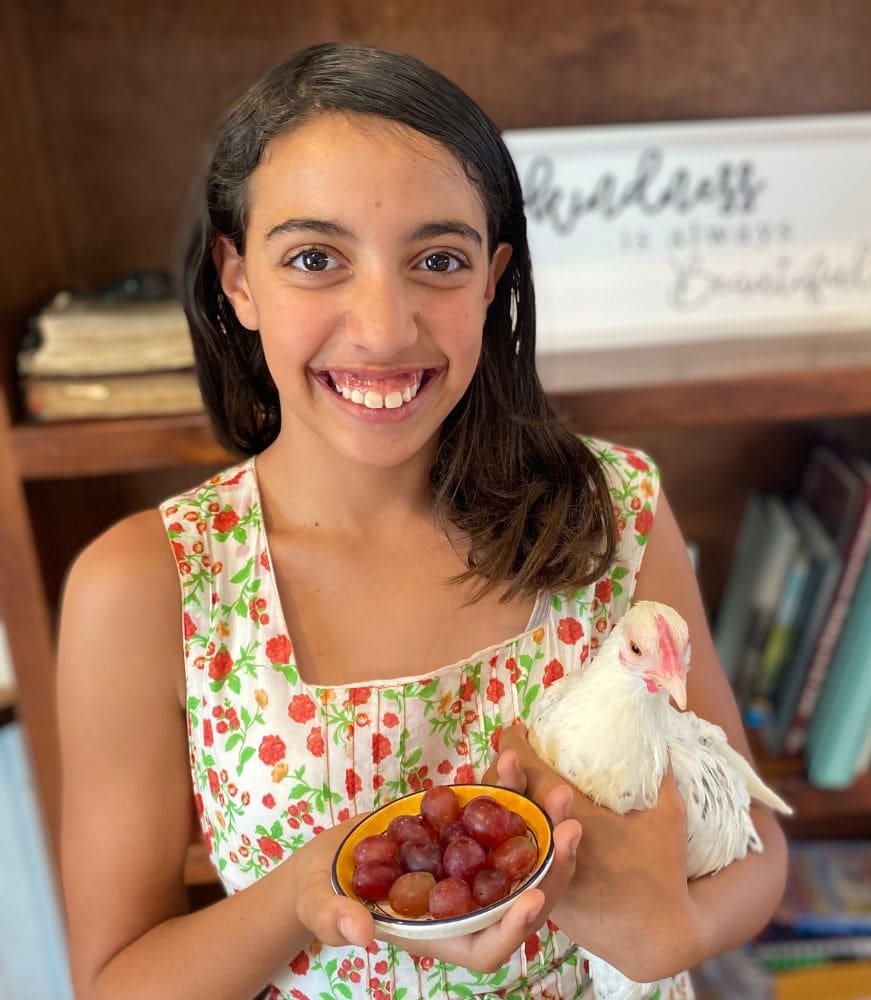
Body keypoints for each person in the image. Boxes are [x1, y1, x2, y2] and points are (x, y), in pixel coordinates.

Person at [56, 43, 788, 1000]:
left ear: (494, 277)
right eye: (315, 258)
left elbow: (757, 845)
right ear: (236, 279)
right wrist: (308, 890)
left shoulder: (614, 512)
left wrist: (674, 930)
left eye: (437, 260)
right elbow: (114, 982)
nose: (383, 326)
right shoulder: (145, 586)